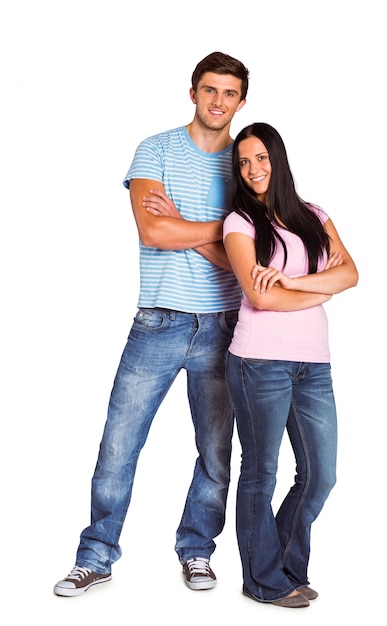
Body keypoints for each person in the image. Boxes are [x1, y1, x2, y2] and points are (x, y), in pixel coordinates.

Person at [53, 51, 249, 597]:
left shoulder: (245, 162)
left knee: (216, 450)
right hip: (158, 320)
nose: (218, 102)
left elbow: (245, 254)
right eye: (209, 90)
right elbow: (152, 234)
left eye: (229, 93)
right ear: (193, 92)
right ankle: (95, 555)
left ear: (241, 101)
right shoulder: (156, 149)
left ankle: (197, 551)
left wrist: (185, 224)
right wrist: (219, 233)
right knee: (119, 443)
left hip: (227, 325)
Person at [222, 122, 358, 608]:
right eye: (244, 162)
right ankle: (262, 579)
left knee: (321, 474)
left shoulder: (313, 215)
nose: (254, 169)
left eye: (261, 158)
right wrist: (317, 283)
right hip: (258, 363)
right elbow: (259, 296)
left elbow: (352, 274)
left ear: (277, 159)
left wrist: (290, 282)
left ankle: (281, 566)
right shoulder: (239, 222)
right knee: (261, 472)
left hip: (313, 366)